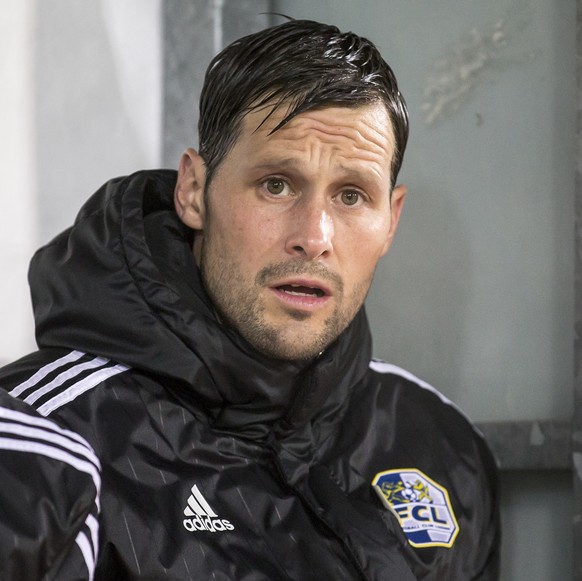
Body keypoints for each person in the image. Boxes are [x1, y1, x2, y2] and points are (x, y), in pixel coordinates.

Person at [0, 18, 500, 580]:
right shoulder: (46, 444)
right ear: (193, 191)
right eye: (276, 184)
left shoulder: (439, 445)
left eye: (352, 195)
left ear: (392, 220)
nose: (314, 237)